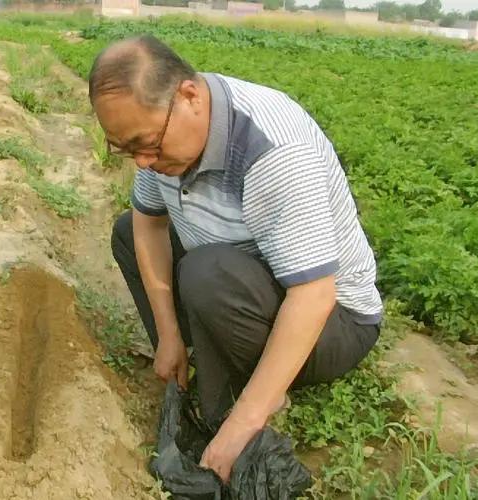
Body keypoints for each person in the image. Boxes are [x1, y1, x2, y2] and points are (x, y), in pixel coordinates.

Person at [89, 35, 383, 483]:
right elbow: (148, 223)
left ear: (189, 96)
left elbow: (314, 294)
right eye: (125, 149)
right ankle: (196, 358)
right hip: (245, 283)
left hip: (334, 322)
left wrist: (243, 423)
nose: (143, 163)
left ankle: (245, 399)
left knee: (207, 274)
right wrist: (167, 334)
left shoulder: (272, 150)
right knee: (129, 232)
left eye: (148, 144)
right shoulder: (164, 145)